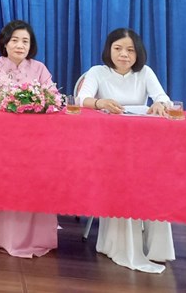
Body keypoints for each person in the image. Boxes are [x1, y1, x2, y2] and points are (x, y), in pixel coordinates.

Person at [76, 28, 174, 274]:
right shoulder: (98, 72)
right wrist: (99, 102)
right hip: (105, 147)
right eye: (118, 48)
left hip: (139, 146)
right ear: (109, 50)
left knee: (154, 176)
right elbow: (80, 99)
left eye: (130, 50)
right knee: (125, 175)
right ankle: (120, 244)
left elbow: (164, 97)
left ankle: (156, 248)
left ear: (138, 53)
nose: (124, 54)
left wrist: (160, 104)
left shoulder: (145, 73)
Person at [0, 19, 59, 257]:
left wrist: (41, 100)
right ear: (5, 43)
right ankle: (6, 233)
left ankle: (38, 233)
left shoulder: (39, 68)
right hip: (1, 140)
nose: (20, 45)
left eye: (25, 41)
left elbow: (55, 98)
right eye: (14, 40)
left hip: (35, 141)